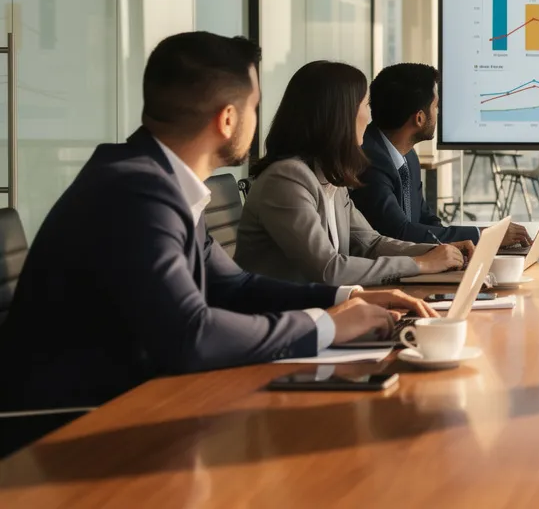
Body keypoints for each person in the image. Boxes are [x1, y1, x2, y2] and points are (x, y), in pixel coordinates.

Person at [0, 33, 433, 412]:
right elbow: (192, 335)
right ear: (228, 119)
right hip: (72, 425)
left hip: (133, 397)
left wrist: (349, 297)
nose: (258, 120)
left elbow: (235, 286)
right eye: (254, 107)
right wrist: (328, 323)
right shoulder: (136, 193)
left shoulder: (156, 180)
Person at [235, 61, 471, 286]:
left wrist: (439, 252)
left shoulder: (329, 176)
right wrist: (420, 264)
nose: (369, 118)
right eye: (365, 106)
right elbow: (329, 270)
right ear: (339, 115)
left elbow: (371, 244)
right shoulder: (286, 179)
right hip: (286, 318)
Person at [351, 63, 530, 247]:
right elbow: (399, 233)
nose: (438, 113)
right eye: (436, 106)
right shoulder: (369, 161)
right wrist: (485, 236)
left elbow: (425, 219)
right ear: (419, 118)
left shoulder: (407, 156)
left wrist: (460, 246)